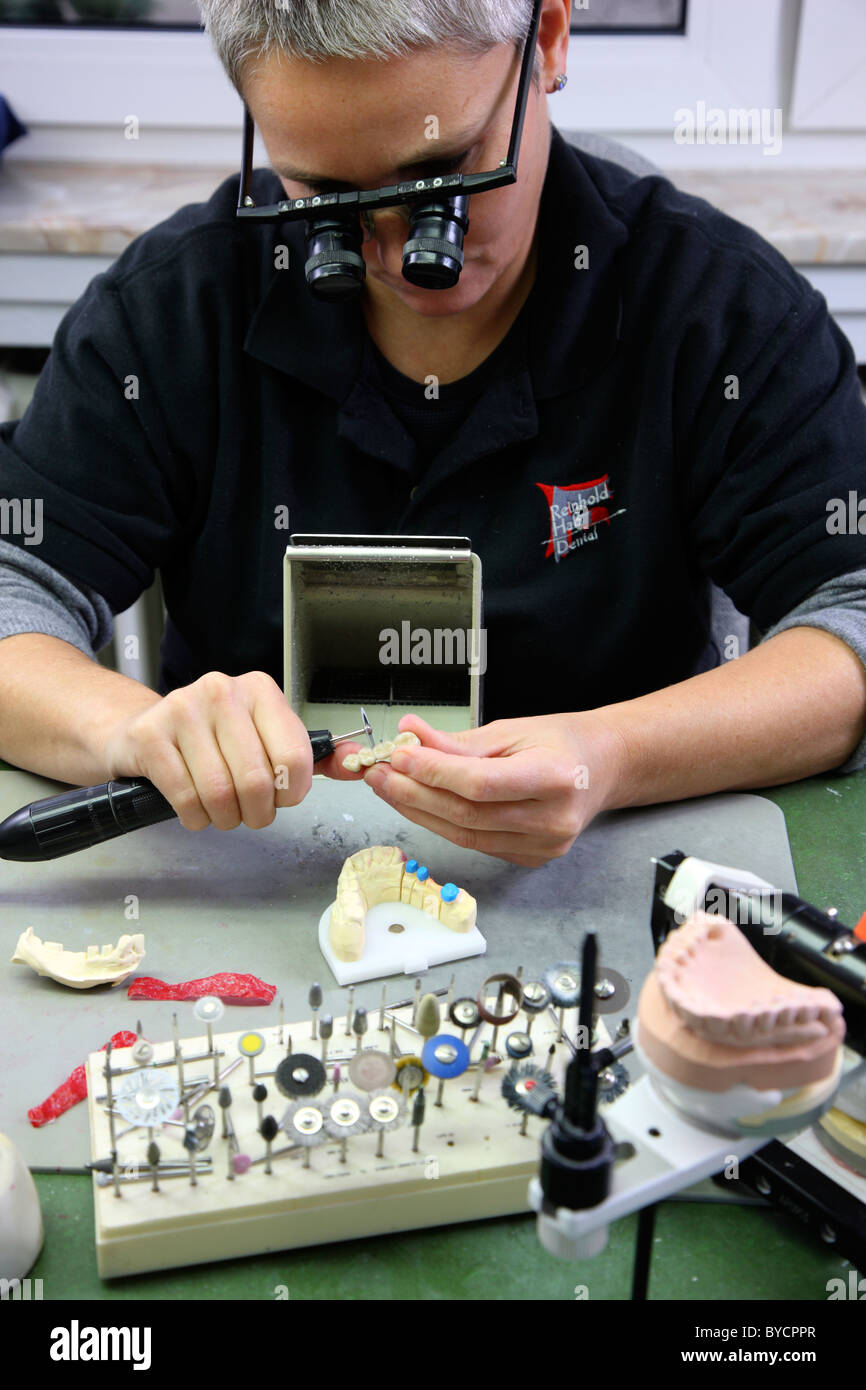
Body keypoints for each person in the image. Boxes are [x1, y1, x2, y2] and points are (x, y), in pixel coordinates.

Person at [1, 0, 865, 869]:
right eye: (328, 198)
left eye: (441, 177)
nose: (393, 249)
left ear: (550, 38)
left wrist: (614, 755)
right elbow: (14, 587)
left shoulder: (715, 313)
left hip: (614, 871)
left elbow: (853, 617)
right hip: (262, 882)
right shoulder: (172, 312)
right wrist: (131, 731)